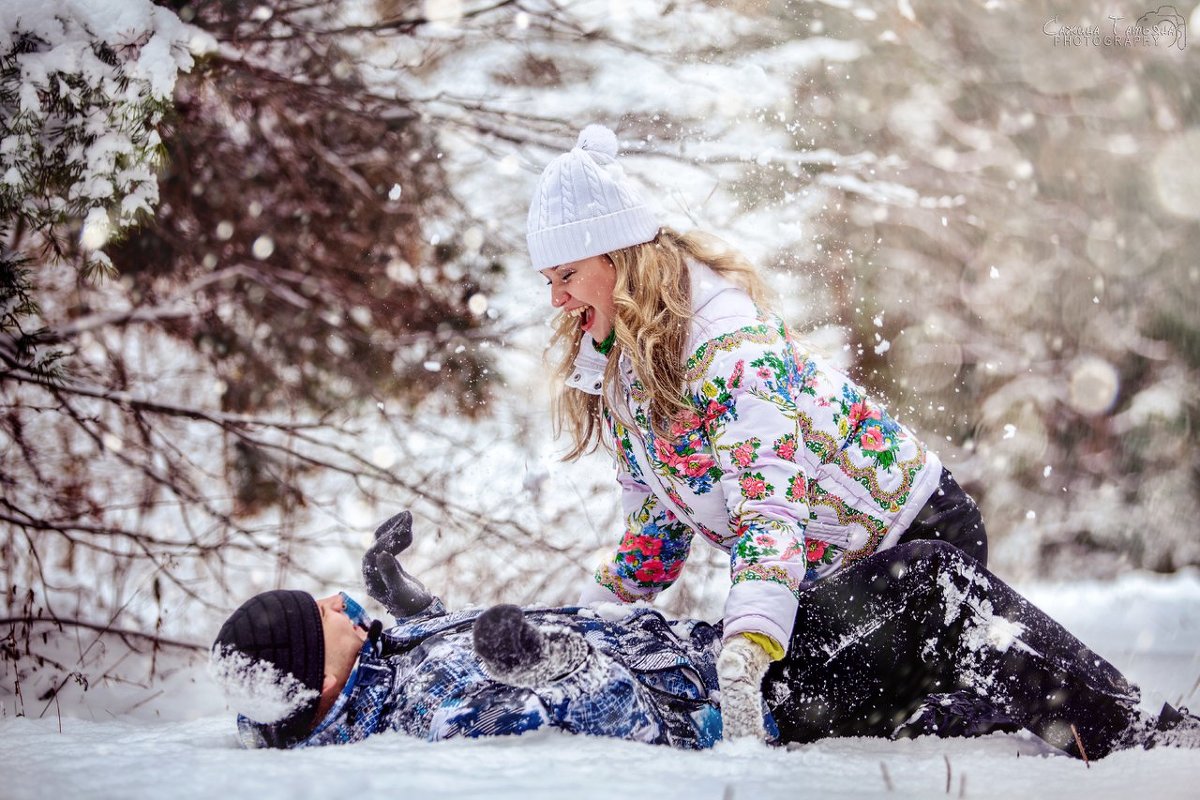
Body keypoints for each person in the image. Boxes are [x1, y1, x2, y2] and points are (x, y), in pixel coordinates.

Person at [528, 124, 990, 737]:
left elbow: (769, 509)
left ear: (617, 260)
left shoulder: (730, 352)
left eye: (567, 275)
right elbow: (657, 521)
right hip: (825, 570)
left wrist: (749, 640)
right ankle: (947, 696)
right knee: (806, 699)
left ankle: (980, 696)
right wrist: (593, 620)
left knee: (802, 708)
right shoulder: (631, 371)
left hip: (912, 542)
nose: (558, 298)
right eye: (549, 282)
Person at [210, 512, 1197, 759]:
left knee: (933, 602)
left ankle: (1062, 720)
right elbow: (599, 730)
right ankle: (1127, 729)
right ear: (313, 671)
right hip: (746, 696)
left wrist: (397, 587)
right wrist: (549, 664)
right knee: (934, 582)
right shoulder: (426, 710)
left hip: (722, 645)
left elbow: (431, 630)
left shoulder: (386, 662)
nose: (340, 603)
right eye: (323, 613)